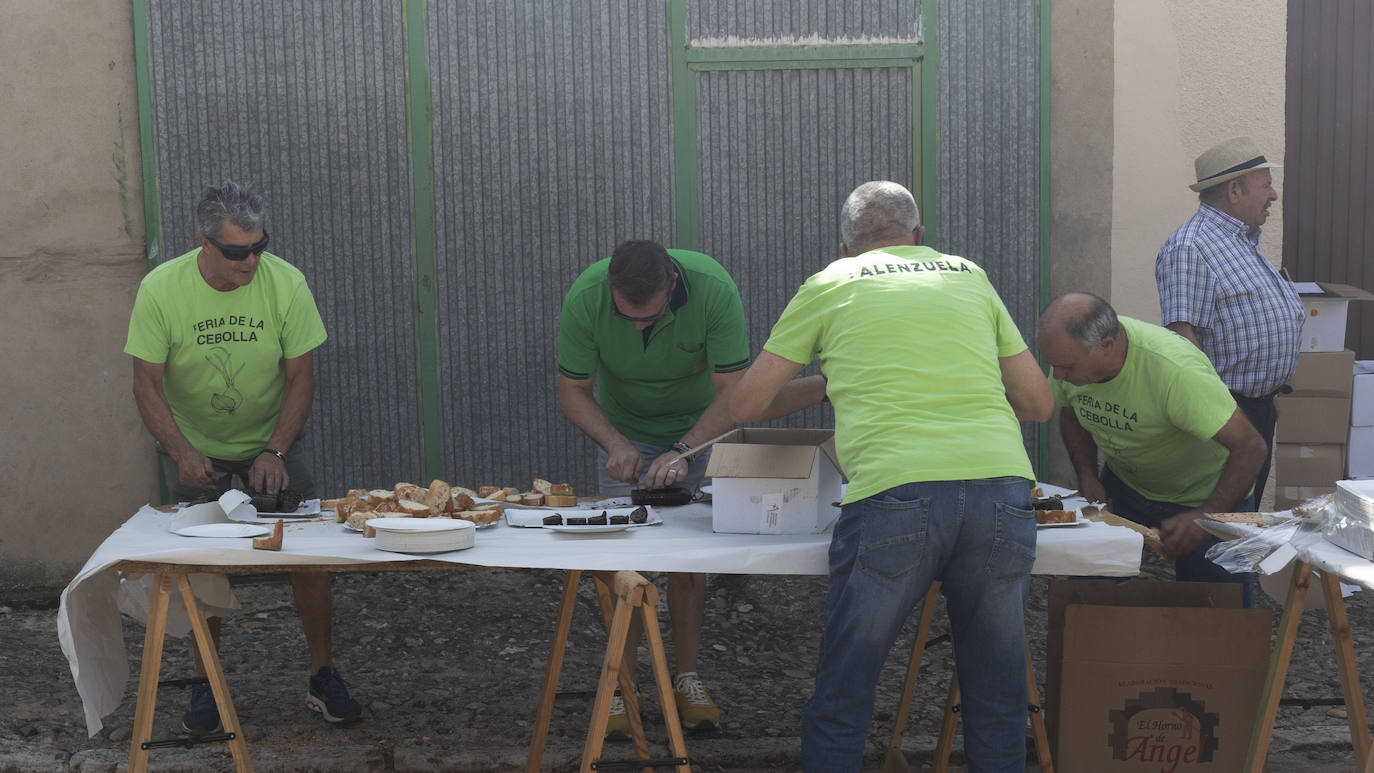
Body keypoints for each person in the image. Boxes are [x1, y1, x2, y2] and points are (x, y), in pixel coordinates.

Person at [729, 181, 1054, 773]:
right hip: (1001, 490)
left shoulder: (830, 282)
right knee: (998, 695)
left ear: (847, 246)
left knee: (845, 693)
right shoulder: (970, 275)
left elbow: (747, 405)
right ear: (919, 237)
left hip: (895, 494)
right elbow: (1037, 402)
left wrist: (846, 373)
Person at [125, 181, 361, 733]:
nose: (251, 261)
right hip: (196, 446)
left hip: (272, 437)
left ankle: (323, 675)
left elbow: (301, 377)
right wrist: (181, 451)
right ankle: (206, 681)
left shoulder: (286, 282)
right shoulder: (162, 289)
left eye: (259, 246)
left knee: (309, 557)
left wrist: (276, 448)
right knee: (202, 568)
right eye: (237, 252)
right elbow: (145, 383)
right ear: (203, 243)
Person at [556, 239, 749, 736]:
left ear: (673, 285)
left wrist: (684, 449)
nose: (639, 327)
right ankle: (625, 683)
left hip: (703, 426)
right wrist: (615, 444)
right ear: (611, 290)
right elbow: (574, 392)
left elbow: (734, 395)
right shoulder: (586, 297)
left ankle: (686, 677)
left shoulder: (713, 288)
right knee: (622, 564)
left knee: (689, 558)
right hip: (625, 429)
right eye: (628, 318)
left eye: (649, 317)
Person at [1039, 293, 1268, 607]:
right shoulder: (1068, 359)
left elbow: (1251, 447)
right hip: (1126, 486)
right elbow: (1070, 413)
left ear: (1106, 346)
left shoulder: (1174, 370)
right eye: (1054, 367)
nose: (1059, 376)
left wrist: (1206, 517)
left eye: (1066, 367)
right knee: (1091, 593)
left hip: (1207, 492)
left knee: (1220, 611)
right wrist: (1087, 475)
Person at [1156, 136, 1305, 505]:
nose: (1273, 195)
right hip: (1225, 417)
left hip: (1255, 409)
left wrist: (1267, 391)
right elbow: (1182, 340)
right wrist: (1227, 412)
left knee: (1242, 524)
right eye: (1266, 184)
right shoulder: (1191, 247)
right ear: (1234, 190)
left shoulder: (1242, 242)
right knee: (1224, 525)